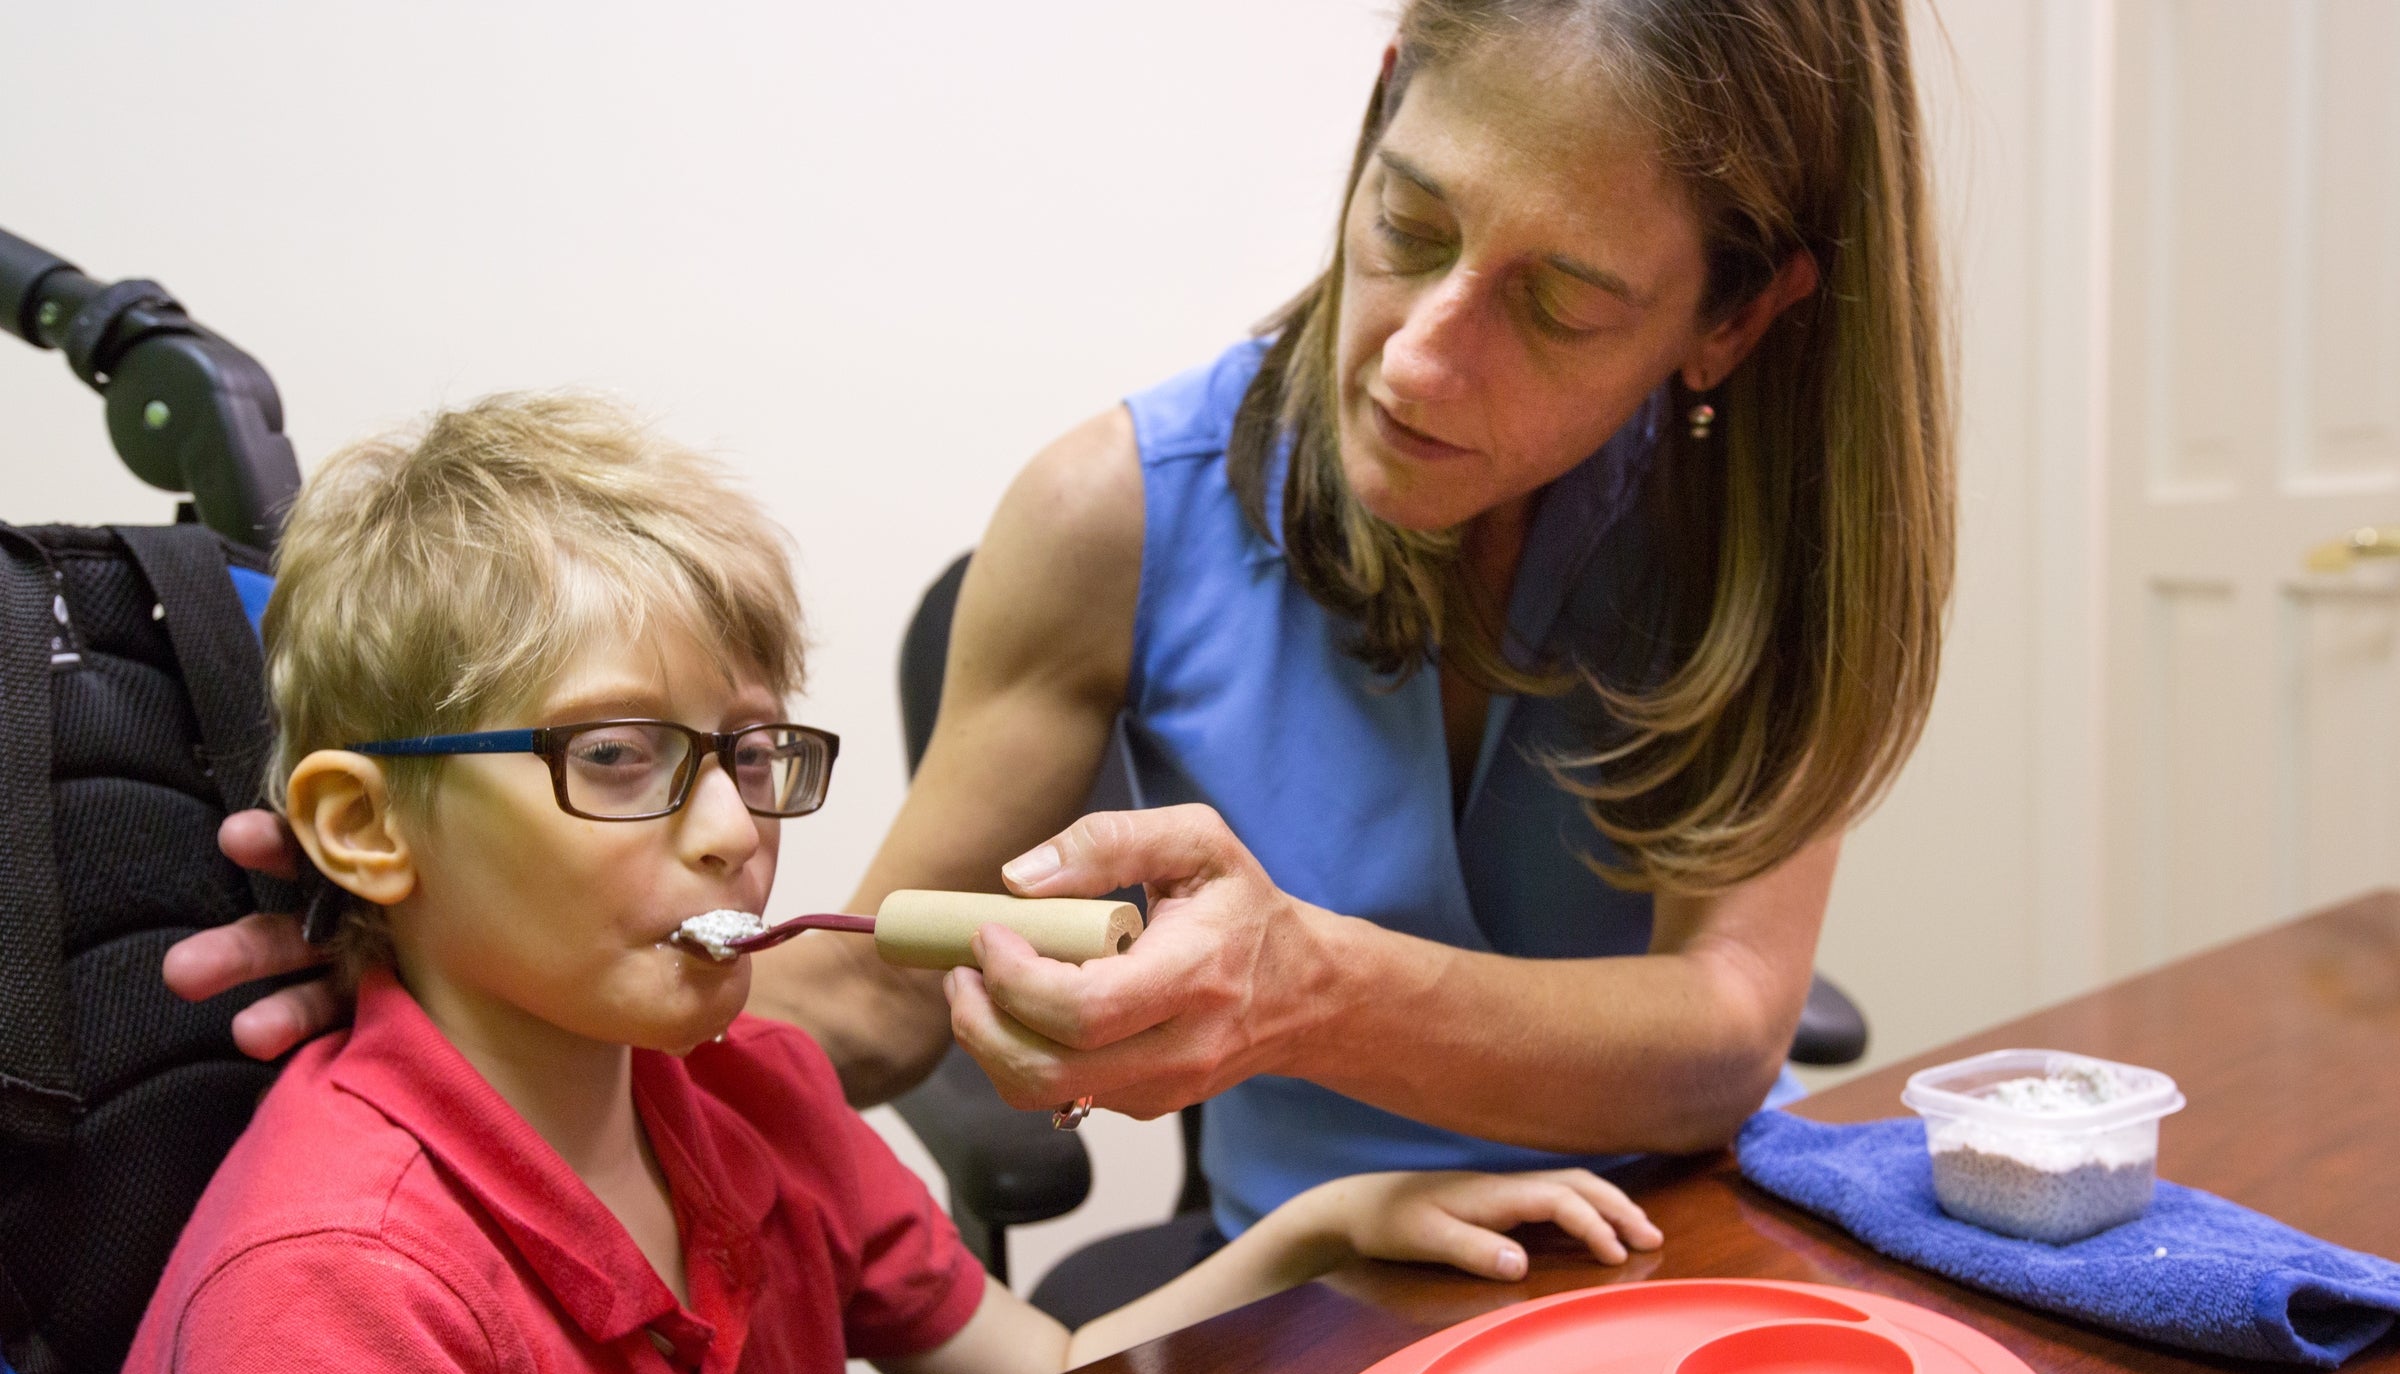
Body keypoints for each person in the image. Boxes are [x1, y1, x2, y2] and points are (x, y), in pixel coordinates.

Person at [168, 0, 1950, 1277]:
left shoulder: (1767, 550)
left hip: (1688, 1272)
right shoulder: (1112, 514)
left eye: (1563, 306)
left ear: (1732, 319)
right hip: (1316, 1307)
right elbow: (864, 994)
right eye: (1410, 224)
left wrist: (1311, 992)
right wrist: (464, 970)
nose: (1412, 360)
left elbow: (1730, 1035)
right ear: (1383, 90)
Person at [102, 395, 1659, 1374]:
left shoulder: (751, 1095)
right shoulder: (334, 1306)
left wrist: (1323, 1230)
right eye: (620, 758)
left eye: (751, 753)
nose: (734, 832)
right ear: (368, 827)